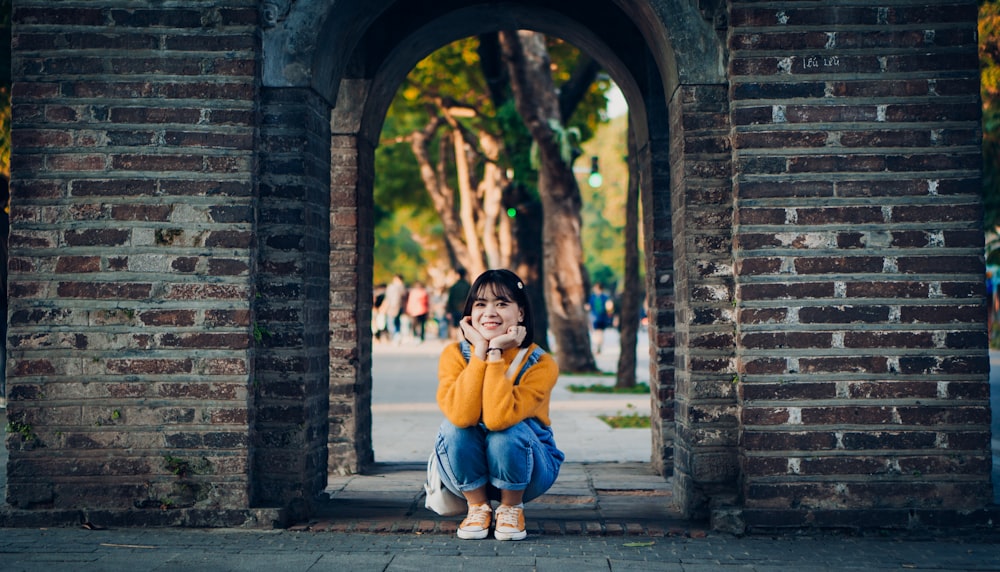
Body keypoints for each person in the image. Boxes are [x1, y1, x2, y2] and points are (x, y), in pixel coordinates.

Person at [433, 269, 564, 541]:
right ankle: (477, 507)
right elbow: (461, 415)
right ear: (470, 314)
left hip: (530, 470)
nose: (490, 312)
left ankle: (511, 507)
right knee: (455, 427)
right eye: (481, 304)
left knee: (506, 431)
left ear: (521, 314)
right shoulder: (454, 356)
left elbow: (497, 418)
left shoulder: (540, 363)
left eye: (502, 304)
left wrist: (495, 354)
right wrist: (479, 348)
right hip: (468, 471)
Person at [445, 268, 471, 340]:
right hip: (465, 309)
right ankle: (462, 341)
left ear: (458, 275)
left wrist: (448, 311)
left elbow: (450, 300)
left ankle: (455, 342)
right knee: (463, 326)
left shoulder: (454, 286)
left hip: (455, 309)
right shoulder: (468, 286)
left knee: (455, 326)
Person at [587, 283, 612, 354]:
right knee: (596, 332)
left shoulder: (605, 297)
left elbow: (609, 307)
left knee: (600, 332)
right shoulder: (593, 297)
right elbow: (589, 306)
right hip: (594, 317)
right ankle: (597, 345)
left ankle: (599, 345)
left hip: (602, 317)